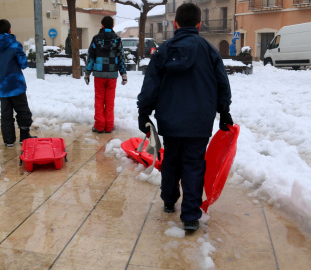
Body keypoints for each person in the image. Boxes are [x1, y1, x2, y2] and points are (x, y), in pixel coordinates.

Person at [137, 3, 233, 231]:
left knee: (171, 159)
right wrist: (224, 111)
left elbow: (150, 85)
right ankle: (190, 216)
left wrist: (144, 112)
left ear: (175, 24)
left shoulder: (163, 50)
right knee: (193, 164)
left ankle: (169, 201)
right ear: (199, 24)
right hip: (200, 120)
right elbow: (222, 84)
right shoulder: (209, 50)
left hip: (170, 119)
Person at [0, 19, 36, 147]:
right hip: (16, 85)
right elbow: (24, 64)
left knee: (6, 113)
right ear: (10, 30)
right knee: (22, 111)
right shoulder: (15, 45)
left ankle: (8, 140)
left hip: (1, 86)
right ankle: (24, 137)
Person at [84, 16, 127, 133]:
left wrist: (87, 73)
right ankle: (109, 126)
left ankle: (99, 126)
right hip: (112, 75)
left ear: (102, 25)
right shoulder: (117, 40)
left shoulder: (96, 39)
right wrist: (123, 74)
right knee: (109, 101)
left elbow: (91, 58)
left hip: (99, 74)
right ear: (113, 26)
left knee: (99, 100)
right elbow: (121, 58)